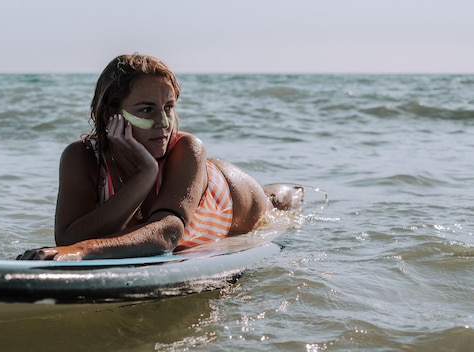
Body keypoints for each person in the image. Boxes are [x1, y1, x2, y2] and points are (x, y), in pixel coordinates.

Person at [18, 53, 302, 261]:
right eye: (146, 110)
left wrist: (82, 252)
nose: (164, 123)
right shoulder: (82, 157)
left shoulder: (187, 149)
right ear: (110, 115)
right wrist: (144, 176)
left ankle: (295, 191)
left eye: (168, 107)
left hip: (236, 199)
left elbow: (167, 235)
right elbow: (67, 237)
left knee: (277, 204)